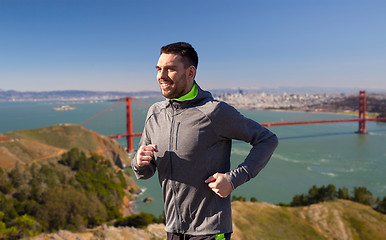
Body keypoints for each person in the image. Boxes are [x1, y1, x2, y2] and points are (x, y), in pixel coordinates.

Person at [132, 42, 278, 240]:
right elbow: (146, 172)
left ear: (190, 72)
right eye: (159, 69)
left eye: (170, 69)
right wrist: (139, 162)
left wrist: (233, 179)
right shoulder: (155, 113)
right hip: (173, 230)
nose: (161, 76)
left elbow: (267, 139)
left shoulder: (214, 112)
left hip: (210, 232)